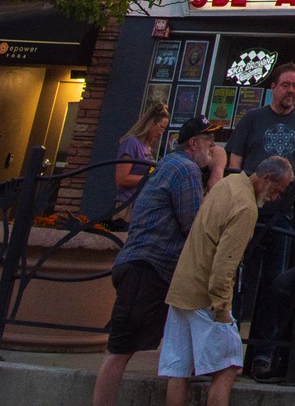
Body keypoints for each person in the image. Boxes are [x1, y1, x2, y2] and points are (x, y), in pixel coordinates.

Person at [92, 115, 227, 406]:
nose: (213, 147)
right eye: (210, 141)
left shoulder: (170, 164)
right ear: (194, 144)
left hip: (149, 268)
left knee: (161, 341)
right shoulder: (186, 168)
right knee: (119, 350)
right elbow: (195, 226)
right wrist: (218, 172)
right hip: (147, 268)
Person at [160, 156, 294, 406]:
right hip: (205, 296)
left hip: (182, 287)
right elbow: (225, 264)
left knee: (178, 370)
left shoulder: (228, 183)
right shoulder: (246, 207)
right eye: (276, 191)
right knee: (228, 367)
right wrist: (223, 310)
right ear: (265, 179)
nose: (276, 198)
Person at [231, 62, 295, 381]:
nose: (291, 90)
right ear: (274, 88)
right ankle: (228, 350)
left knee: (274, 285)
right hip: (249, 211)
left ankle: (262, 355)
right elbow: (236, 163)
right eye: (286, 85)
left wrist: (294, 196)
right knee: (238, 281)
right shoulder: (252, 119)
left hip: (283, 216)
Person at [113, 101, 170, 218]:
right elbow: (122, 178)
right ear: (151, 123)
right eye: (161, 127)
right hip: (127, 205)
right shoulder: (131, 142)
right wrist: (152, 178)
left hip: (141, 206)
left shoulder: (147, 147)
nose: (161, 133)